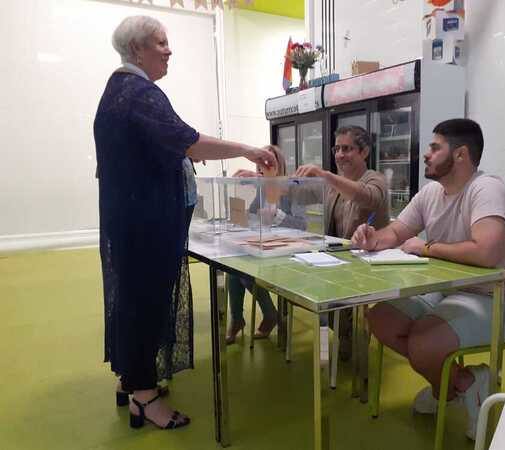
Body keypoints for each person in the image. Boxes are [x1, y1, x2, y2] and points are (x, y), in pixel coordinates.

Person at [94, 15, 276, 430]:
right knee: (147, 304)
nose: (169, 49)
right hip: (147, 224)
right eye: (161, 42)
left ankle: (131, 379)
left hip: (132, 222)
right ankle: (144, 396)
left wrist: (185, 153)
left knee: (135, 302)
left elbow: (165, 146)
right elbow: (187, 138)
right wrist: (247, 150)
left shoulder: (118, 91)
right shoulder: (139, 92)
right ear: (138, 48)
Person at [351, 118, 505, 439]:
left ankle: (451, 387)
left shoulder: (487, 188)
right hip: (454, 292)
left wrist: (427, 248)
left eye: (435, 148)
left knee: (423, 341)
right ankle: (458, 385)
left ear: (461, 155)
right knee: (381, 317)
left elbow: (487, 253)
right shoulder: (432, 193)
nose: (426, 154)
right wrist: (373, 238)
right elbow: (397, 231)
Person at [295, 125, 390, 359]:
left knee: (334, 302)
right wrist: (267, 178)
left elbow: (368, 197)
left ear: (364, 152)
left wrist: (326, 175)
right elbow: (297, 194)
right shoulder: (332, 187)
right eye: (336, 148)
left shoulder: (375, 179)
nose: (339, 155)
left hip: (366, 265)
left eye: (346, 149)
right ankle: (345, 335)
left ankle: (353, 338)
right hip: (337, 262)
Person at [226, 145, 307, 344]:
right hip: (267, 246)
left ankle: (267, 315)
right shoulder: (262, 190)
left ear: (279, 165)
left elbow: (302, 225)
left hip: (290, 249)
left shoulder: (293, 187)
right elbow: (253, 216)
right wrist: (240, 216)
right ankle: (239, 319)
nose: (262, 169)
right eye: (259, 165)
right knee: (233, 270)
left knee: (244, 272)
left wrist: (277, 216)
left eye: (267, 164)